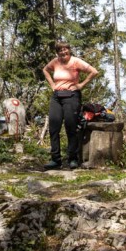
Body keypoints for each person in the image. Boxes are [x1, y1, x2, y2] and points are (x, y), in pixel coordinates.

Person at [42, 41, 98, 170]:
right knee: (54, 127)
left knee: (71, 126)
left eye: (65, 49)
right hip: (57, 96)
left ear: (69, 50)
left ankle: (72, 159)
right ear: (57, 52)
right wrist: (52, 85)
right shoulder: (55, 62)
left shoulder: (76, 61)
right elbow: (45, 70)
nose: (63, 52)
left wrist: (81, 85)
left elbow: (94, 72)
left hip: (72, 96)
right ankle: (55, 160)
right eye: (60, 50)